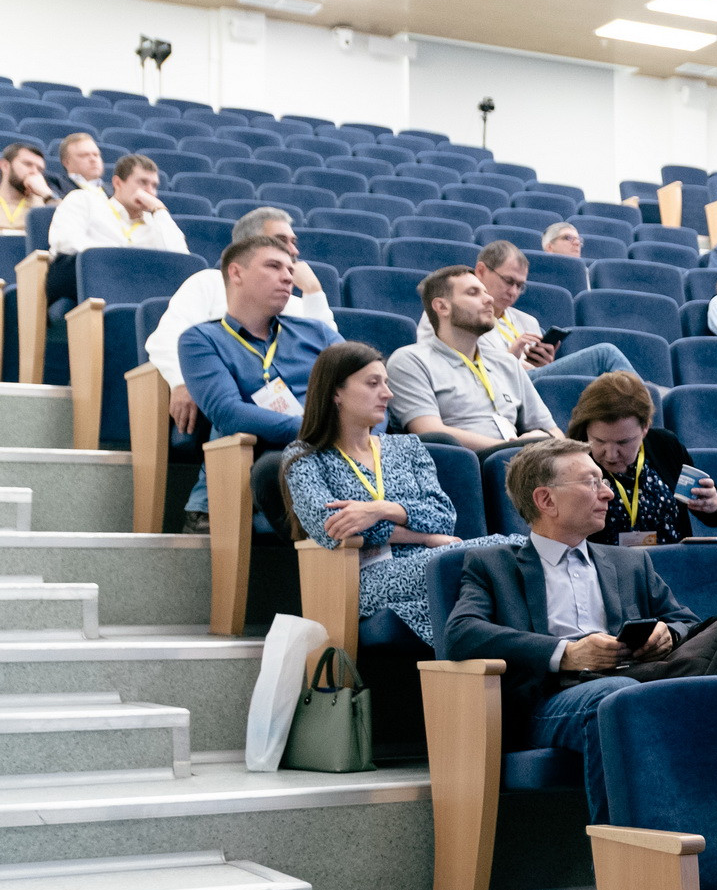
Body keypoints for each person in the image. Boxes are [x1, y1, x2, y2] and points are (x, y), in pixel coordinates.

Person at [443, 436, 717, 835]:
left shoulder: (628, 562)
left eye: (603, 481)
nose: (608, 492)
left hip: (635, 678)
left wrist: (667, 633)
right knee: (613, 696)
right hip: (552, 697)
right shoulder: (493, 565)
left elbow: (686, 621)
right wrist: (567, 653)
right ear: (546, 500)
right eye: (591, 482)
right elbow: (461, 633)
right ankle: (623, 870)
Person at [282, 341, 517, 647]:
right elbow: (331, 528)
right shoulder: (304, 456)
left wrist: (379, 510)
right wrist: (423, 537)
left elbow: (443, 518)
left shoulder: (407, 447)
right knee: (487, 557)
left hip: (429, 561)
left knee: (514, 546)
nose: (387, 393)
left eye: (387, 383)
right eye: (373, 383)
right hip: (362, 576)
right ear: (335, 392)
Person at [148, 208, 340, 534]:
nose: (293, 251)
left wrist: (314, 294)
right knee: (238, 389)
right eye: (280, 242)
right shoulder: (208, 283)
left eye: (293, 245)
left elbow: (337, 358)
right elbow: (167, 337)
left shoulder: (291, 302)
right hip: (222, 382)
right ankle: (210, 507)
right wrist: (181, 382)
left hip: (292, 409)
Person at [387, 265, 558, 456]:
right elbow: (429, 431)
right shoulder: (411, 360)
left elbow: (554, 432)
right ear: (442, 307)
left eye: (485, 292)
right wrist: (515, 449)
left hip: (523, 466)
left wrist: (536, 439)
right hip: (462, 467)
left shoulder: (507, 363)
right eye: (473, 293)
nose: (489, 299)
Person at [417, 241, 633, 383]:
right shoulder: (453, 312)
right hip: (495, 384)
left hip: (530, 386)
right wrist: (511, 357)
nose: (513, 292)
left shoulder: (527, 321)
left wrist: (547, 364)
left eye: (520, 286)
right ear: (481, 270)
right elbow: (443, 365)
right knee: (606, 354)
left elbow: (537, 372)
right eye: (508, 281)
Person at [565, 371, 717, 546]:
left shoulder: (664, 445)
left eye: (623, 442)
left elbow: (714, 515)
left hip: (672, 566)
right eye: (599, 441)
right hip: (605, 570)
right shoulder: (573, 461)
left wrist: (714, 503)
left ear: (645, 428)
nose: (611, 455)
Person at [47, 149, 187, 303]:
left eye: (154, 186)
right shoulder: (85, 200)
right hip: (88, 279)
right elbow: (65, 241)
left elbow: (181, 259)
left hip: (137, 290)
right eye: (143, 183)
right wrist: (117, 262)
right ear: (117, 183)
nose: (150, 192)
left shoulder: (157, 224)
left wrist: (160, 210)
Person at [0, 142, 54, 235]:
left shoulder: (45, 204)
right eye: (28, 164)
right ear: (5, 166)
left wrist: (47, 195)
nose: (34, 172)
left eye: (40, 170)